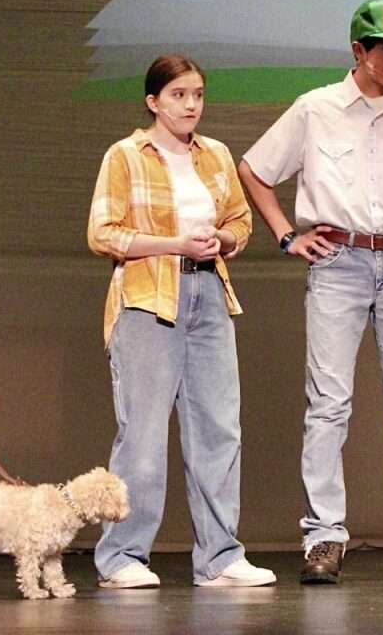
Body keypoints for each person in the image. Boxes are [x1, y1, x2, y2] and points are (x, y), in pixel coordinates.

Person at [238, 0, 383, 585]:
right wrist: (288, 236)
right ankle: (323, 538)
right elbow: (255, 170)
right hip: (338, 262)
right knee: (328, 406)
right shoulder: (315, 110)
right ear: (358, 51)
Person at [88, 54, 276, 589]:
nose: (190, 105)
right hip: (150, 296)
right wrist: (173, 243)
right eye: (178, 95)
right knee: (142, 432)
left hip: (209, 292)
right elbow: (104, 233)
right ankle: (123, 555)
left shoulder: (215, 155)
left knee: (218, 428)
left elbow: (240, 220)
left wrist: (226, 240)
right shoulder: (126, 155)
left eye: (197, 94)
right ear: (153, 101)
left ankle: (220, 556)